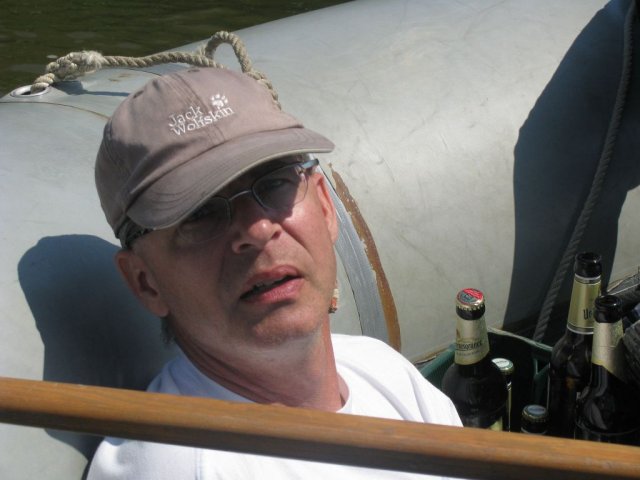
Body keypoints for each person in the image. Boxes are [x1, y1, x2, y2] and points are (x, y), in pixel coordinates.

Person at [87, 65, 462, 479]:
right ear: (146, 282)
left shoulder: (384, 373)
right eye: (200, 214)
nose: (257, 230)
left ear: (325, 207)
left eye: (273, 184)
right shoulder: (181, 467)